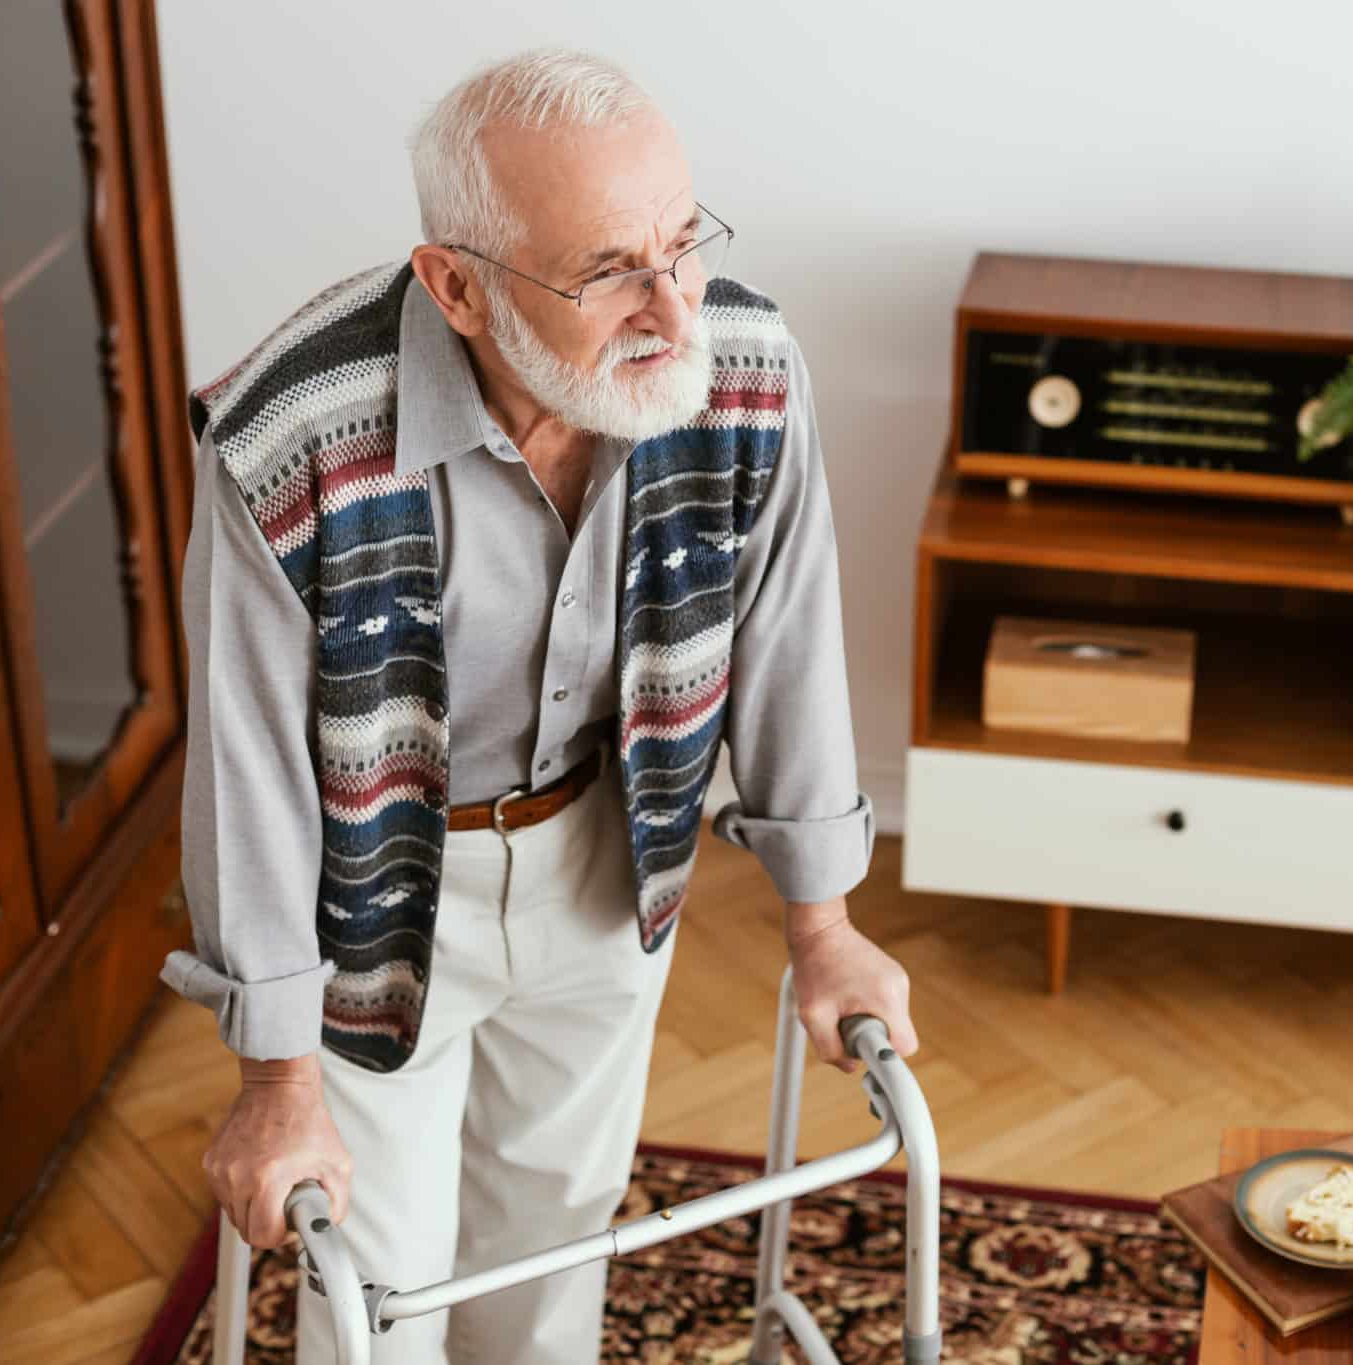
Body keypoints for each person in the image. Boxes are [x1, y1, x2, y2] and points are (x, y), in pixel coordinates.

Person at [157, 47, 919, 1364]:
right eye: (607, 270)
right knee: (378, 1277)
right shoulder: (287, 441)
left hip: (603, 845)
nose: (673, 311)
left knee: (556, 1234)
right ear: (454, 283)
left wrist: (825, 923)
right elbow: (248, 777)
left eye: (681, 246)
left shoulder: (740, 369)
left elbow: (789, 634)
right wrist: (275, 1080)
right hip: (378, 889)